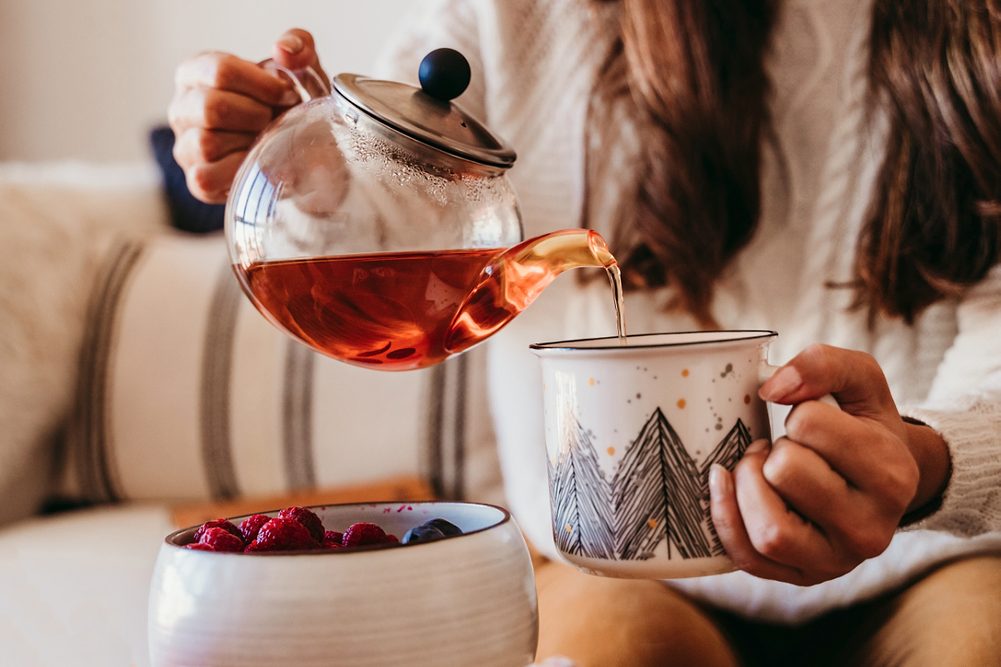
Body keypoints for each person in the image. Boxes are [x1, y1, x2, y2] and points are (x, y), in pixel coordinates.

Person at [168, 1, 1001, 664]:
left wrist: (925, 458)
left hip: (926, 559)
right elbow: (382, 200)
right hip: (608, 569)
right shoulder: (513, 16)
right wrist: (300, 169)